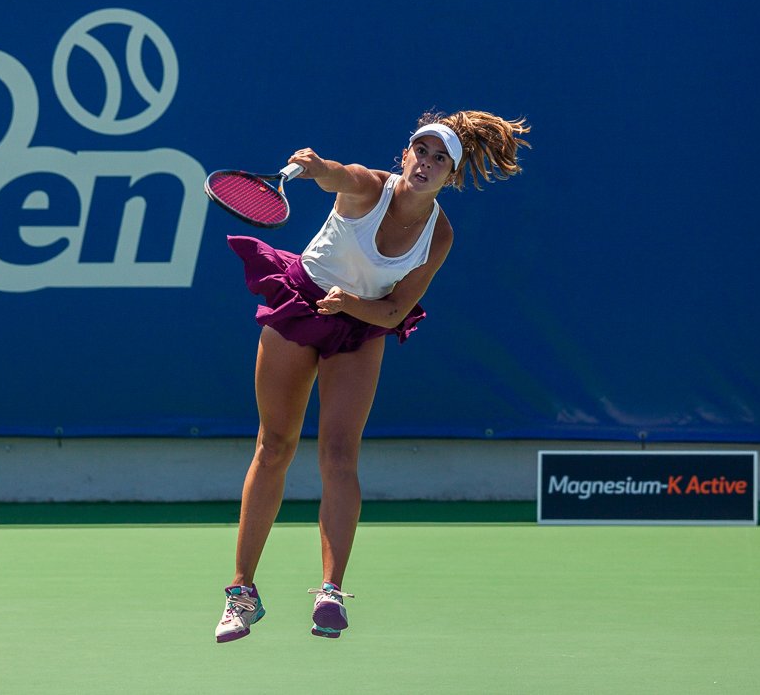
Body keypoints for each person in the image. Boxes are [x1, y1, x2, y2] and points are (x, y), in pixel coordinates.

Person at [214, 110, 531, 642]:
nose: (426, 163)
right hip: (301, 303)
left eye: (440, 159)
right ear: (404, 155)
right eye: (420, 151)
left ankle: (330, 592)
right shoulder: (368, 187)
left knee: (340, 455)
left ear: (451, 175)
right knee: (274, 445)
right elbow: (337, 174)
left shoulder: (439, 235)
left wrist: (351, 305)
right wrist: (315, 166)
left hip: (361, 326)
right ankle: (242, 593)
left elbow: (394, 310)